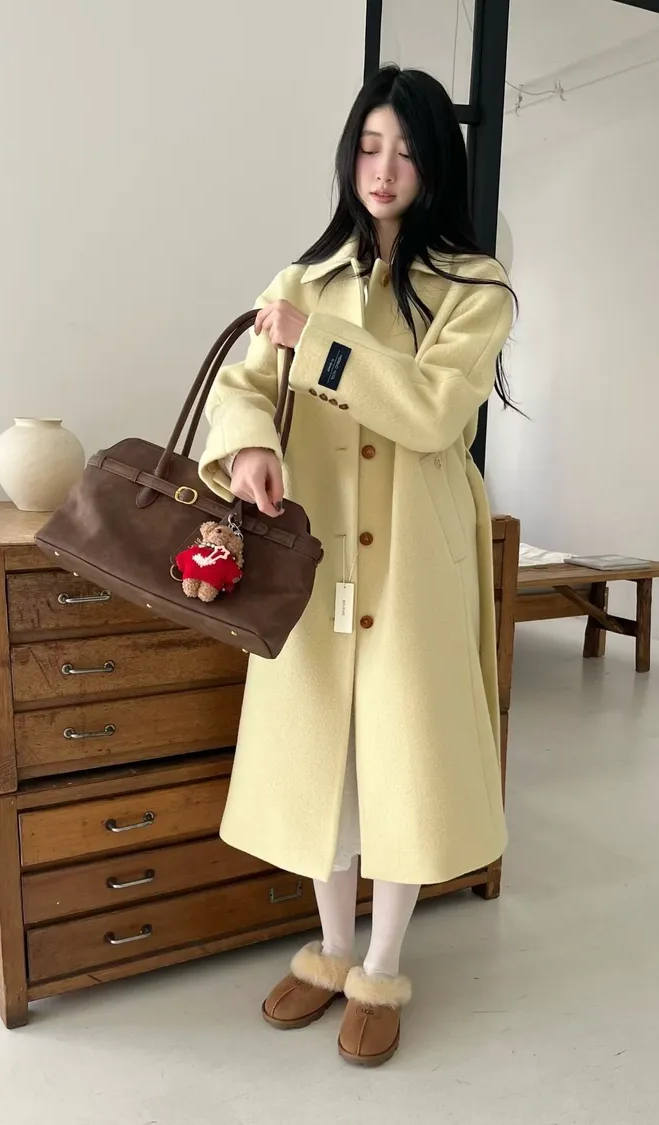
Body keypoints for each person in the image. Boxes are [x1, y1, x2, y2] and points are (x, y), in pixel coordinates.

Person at [199, 65, 515, 1067]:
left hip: (416, 554)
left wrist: (320, 346)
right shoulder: (300, 280)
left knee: (405, 756)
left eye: (408, 151)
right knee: (321, 760)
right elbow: (242, 385)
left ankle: (381, 965)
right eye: (371, 146)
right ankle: (331, 949)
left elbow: (431, 411)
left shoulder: (476, 288)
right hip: (316, 542)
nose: (385, 169)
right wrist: (250, 446)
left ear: (437, 165)